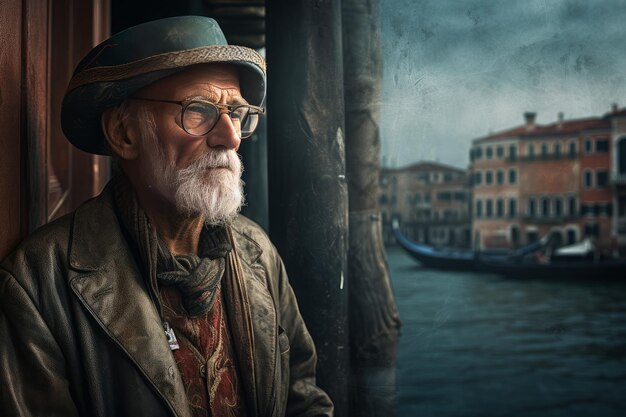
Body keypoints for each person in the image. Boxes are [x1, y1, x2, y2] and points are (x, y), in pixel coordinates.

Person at [0, 16, 333, 417]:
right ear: (125, 133)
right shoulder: (37, 283)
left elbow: (304, 399)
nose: (229, 137)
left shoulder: (256, 251)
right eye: (199, 110)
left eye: (238, 113)